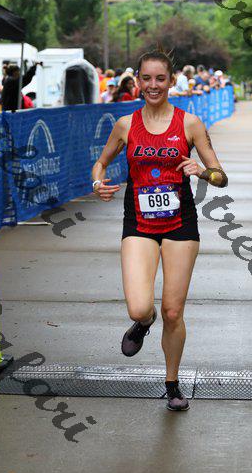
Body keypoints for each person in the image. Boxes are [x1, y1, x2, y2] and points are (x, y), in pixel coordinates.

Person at [91, 49, 228, 411]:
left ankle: (172, 383)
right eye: (147, 79)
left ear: (171, 82)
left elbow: (221, 177)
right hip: (138, 223)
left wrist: (202, 172)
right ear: (138, 81)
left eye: (160, 79)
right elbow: (101, 163)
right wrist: (97, 182)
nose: (153, 85)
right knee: (140, 308)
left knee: (172, 311)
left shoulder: (190, 124)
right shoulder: (125, 125)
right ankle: (143, 323)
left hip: (180, 224)